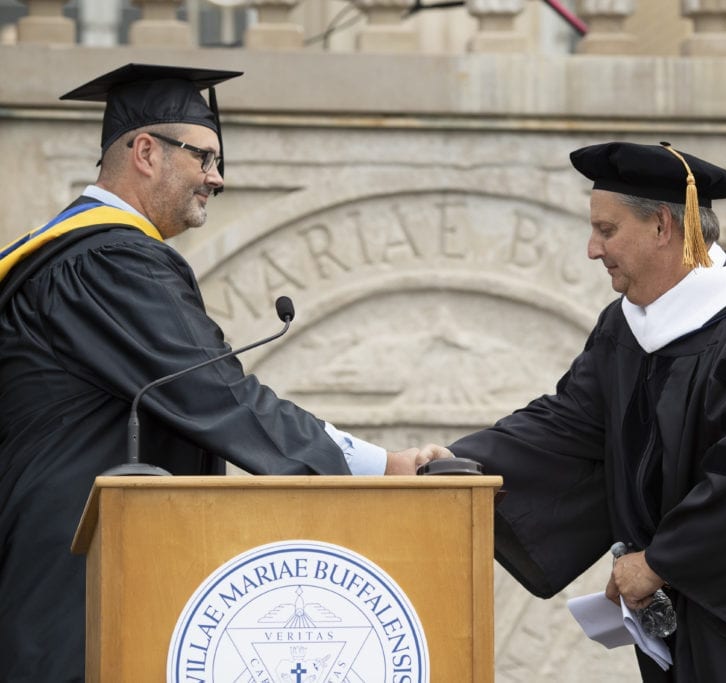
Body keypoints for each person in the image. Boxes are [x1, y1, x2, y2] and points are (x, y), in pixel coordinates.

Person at [0, 63, 450, 682]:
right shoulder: (109, 261)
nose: (218, 177)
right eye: (204, 156)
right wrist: (376, 466)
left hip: (77, 548)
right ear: (147, 152)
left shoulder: (78, 255)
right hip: (80, 565)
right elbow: (217, 397)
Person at [447, 141, 726, 681]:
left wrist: (660, 561)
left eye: (607, 230)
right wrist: (456, 468)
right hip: (693, 625)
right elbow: (566, 427)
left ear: (664, 227)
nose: (593, 249)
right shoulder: (627, 328)